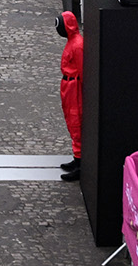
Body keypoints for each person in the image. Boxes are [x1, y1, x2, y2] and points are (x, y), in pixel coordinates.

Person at [57, 11, 83, 182]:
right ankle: (77, 158)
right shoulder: (73, 42)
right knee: (71, 121)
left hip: (75, 88)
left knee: (76, 122)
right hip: (69, 86)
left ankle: (81, 163)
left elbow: (82, 69)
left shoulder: (77, 45)